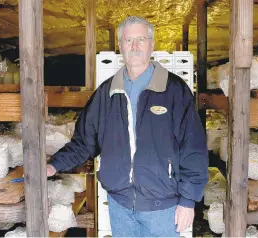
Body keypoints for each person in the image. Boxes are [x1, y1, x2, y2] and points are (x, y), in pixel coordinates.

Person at [46, 16, 208, 237]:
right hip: (120, 206)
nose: (134, 46)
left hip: (163, 207)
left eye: (141, 39)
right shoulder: (106, 93)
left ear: (152, 44)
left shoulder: (174, 91)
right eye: (128, 40)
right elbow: (84, 141)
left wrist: (188, 200)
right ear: (120, 46)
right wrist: (53, 165)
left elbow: (194, 147)